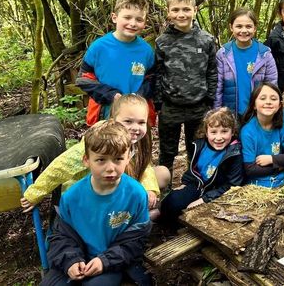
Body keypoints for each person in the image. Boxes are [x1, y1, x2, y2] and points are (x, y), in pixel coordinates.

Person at [21, 95, 168, 219]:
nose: (135, 128)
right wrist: (35, 193)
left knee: (161, 174)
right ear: (113, 119)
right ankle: (127, 219)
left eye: (141, 122)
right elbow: (60, 166)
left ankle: (133, 213)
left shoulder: (136, 141)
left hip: (113, 187)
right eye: (128, 121)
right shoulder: (100, 139)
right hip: (88, 196)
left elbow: (143, 165)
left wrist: (150, 188)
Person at [41, 121, 151, 286]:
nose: (110, 168)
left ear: (128, 157)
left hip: (112, 262)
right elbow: (60, 236)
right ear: (86, 160)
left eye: (118, 159)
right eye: (101, 160)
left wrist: (104, 261)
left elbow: (136, 240)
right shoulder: (71, 197)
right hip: (77, 259)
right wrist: (70, 260)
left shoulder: (136, 195)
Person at [155, 0, 217, 173]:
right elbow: (158, 74)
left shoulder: (206, 40)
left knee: (196, 148)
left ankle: (194, 184)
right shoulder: (162, 42)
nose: (181, 14)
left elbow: (212, 72)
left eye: (186, 9)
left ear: (195, 10)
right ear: (168, 13)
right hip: (170, 106)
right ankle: (163, 189)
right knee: (167, 151)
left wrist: (210, 99)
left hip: (198, 106)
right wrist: (159, 104)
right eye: (175, 10)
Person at [76, 0, 155, 125]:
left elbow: (152, 79)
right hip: (105, 113)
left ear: (145, 22)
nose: (133, 23)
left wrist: (139, 95)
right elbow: (83, 79)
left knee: (138, 146)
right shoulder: (99, 47)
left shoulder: (146, 50)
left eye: (139, 19)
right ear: (114, 17)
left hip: (137, 116)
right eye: (127, 17)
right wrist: (111, 95)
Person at [159, 108, 243, 226]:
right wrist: (185, 183)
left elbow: (232, 185)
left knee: (187, 210)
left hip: (216, 192)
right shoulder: (201, 145)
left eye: (224, 131)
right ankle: (163, 221)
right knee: (172, 199)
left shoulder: (234, 153)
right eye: (213, 132)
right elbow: (194, 169)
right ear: (206, 132)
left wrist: (202, 200)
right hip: (198, 185)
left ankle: (177, 228)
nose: (218, 137)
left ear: (233, 131)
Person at [215, 8, 278, 118]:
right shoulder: (223, 54)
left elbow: (272, 86)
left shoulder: (265, 54)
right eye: (239, 26)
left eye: (248, 26)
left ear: (254, 28)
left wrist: (270, 114)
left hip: (257, 114)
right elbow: (218, 88)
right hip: (230, 113)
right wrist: (217, 113)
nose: (244, 30)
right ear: (231, 27)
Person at [239, 82, 284, 187]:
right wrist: (281, 166)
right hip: (256, 186)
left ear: (280, 105)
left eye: (273, 99)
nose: (268, 102)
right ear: (254, 105)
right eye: (262, 98)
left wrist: (272, 159)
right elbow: (250, 169)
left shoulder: (282, 125)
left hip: (282, 182)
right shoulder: (247, 132)